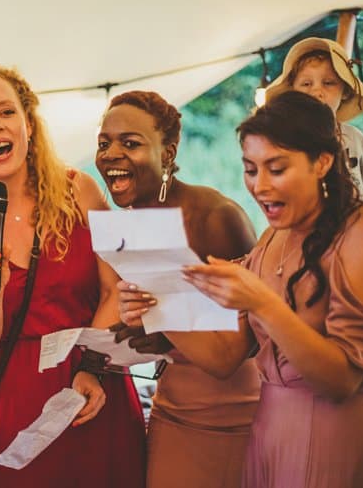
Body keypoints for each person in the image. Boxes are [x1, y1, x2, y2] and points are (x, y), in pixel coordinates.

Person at [120, 91, 363, 487]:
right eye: (251, 169)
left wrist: (262, 302)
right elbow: (224, 358)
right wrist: (157, 306)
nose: (260, 186)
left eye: (277, 169)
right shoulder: (272, 241)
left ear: (322, 162)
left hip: (338, 442)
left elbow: (342, 381)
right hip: (269, 438)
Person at [0, 61, 146, 487]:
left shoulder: (78, 189)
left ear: (28, 122)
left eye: (6, 112)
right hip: (16, 412)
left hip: (94, 392)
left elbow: (116, 289)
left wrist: (93, 368)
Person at [96, 90, 259, 487]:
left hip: (231, 416)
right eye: (104, 143)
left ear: (168, 153)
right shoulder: (130, 221)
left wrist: (164, 324)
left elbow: (253, 334)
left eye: (130, 143)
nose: (111, 153)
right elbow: (167, 323)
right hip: (172, 409)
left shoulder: (216, 217)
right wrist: (138, 330)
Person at [265, 37, 363, 210]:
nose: (317, 91)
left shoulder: (356, 139)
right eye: (306, 84)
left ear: (345, 91)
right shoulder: (286, 141)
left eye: (328, 83)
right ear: (293, 92)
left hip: (359, 232)